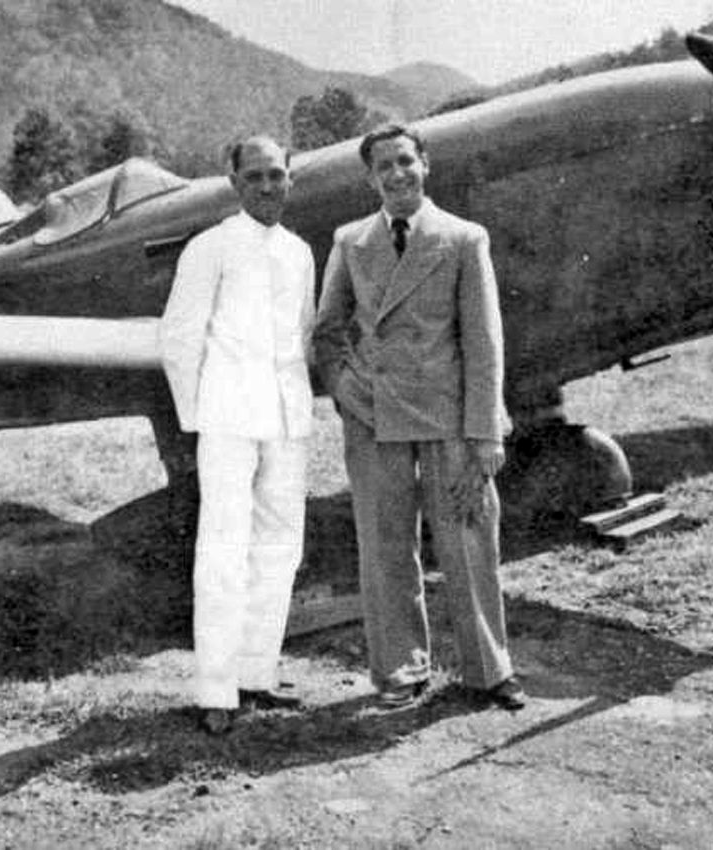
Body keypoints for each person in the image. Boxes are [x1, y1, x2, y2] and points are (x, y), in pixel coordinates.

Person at [313, 124, 525, 711]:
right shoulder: (350, 241)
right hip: (373, 416)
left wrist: (485, 431)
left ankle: (488, 669)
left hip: (450, 417)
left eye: (406, 162)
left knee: (469, 537)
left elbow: (484, 343)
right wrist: (347, 388)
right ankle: (400, 672)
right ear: (370, 177)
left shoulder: (463, 239)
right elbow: (327, 332)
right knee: (383, 545)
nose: (397, 174)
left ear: (424, 164)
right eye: (384, 167)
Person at [159, 136, 316, 736]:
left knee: (280, 549)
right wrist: (201, 417)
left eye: (277, 175)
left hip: (285, 420)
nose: (268, 187)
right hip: (227, 420)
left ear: (289, 180)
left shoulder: (300, 253)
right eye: (255, 177)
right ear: (233, 182)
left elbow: (299, 334)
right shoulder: (210, 248)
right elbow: (179, 337)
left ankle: (257, 675)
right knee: (223, 551)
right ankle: (216, 690)